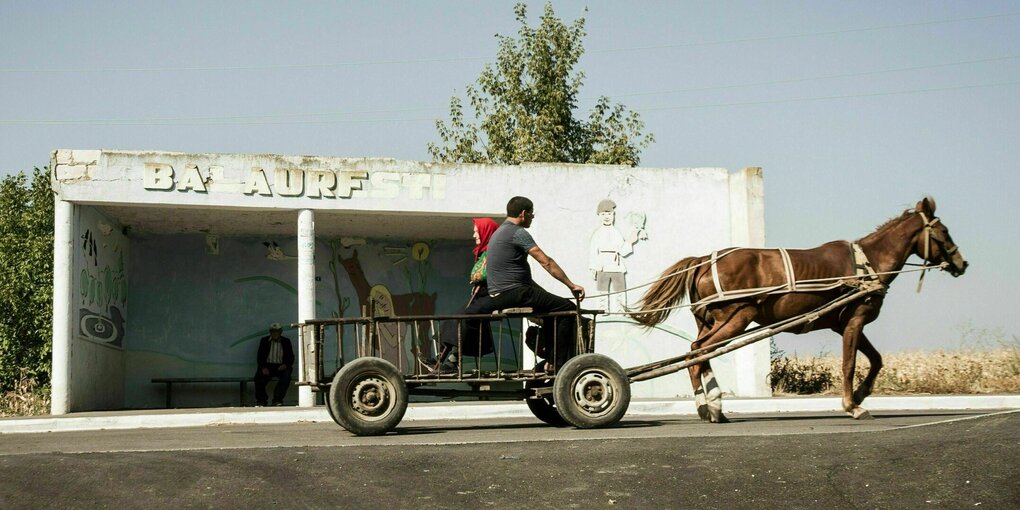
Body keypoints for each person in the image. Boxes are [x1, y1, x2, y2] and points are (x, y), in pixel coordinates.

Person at [465, 196, 585, 373]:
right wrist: (571, 285)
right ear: (523, 214)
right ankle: (558, 364)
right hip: (517, 293)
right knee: (567, 309)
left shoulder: (498, 233)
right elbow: (546, 262)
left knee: (551, 310)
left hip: (501, 294)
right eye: (531, 214)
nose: (532, 218)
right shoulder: (518, 233)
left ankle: (551, 359)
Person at [434, 218, 500, 372]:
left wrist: (478, 277)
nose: (474, 235)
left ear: (486, 232)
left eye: (477, 231)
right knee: (454, 319)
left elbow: (482, 274)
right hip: (481, 296)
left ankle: (450, 361)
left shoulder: (495, 252)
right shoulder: (485, 252)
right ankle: (442, 358)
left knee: (462, 318)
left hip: (489, 296)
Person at [588, 198, 645, 312]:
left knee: (620, 292)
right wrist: (593, 268)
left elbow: (623, 251)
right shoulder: (597, 234)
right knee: (602, 292)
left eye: (609, 213)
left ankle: (621, 311)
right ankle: (602, 311)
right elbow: (593, 252)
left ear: (613, 215)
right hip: (602, 266)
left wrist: (630, 241)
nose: (607, 216)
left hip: (616, 266)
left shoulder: (616, 233)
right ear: (599, 215)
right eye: (604, 214)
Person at [254, 323, 294, 406]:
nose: (275, 333)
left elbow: (291, 356)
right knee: (258, 377)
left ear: (281, 332)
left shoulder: (286, 341)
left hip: (281, 366)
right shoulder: (264, 341)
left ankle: (277, 399)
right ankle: (261, 400)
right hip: (268, 366)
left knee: (286, 376)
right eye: (273, 331)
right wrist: (263, 367)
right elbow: (260, 356)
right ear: (270, 332)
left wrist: (286, 365)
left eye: (277, 331)